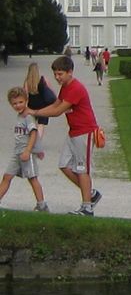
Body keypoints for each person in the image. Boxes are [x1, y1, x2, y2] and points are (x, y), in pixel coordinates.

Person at [30, 56, 102, 216]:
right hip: (74, 131)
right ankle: (90, 195)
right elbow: (56, 104)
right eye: (55, 74)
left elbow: (57, 111)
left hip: (85, 132)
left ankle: (87, 207)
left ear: (70, 72)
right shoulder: (66, 86)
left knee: (82, 169)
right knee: (64, 165)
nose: (57, 77)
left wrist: (34, 112)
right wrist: (35, 112)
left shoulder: (76, 88)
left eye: (60, 74)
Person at [0, 88, 48, 212]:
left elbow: (33, 133)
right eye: (14, 103)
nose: (18, 105)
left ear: (26, 101)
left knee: (32, 178)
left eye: (20, 102)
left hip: (26, 152)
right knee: (7, 176)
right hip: (17, 153)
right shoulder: (20, 116)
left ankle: (42, 205)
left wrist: (29, 150)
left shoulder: (28, 117)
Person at [24, 62, 57, 157]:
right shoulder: (43, 79)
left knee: (32, 124)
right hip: (43, 106)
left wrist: (25, 108)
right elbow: (51, 91)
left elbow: (25, 95)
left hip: (31, 106)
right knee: (41, 125)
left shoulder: (27, 82)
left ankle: (32, 140)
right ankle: (38, 141)